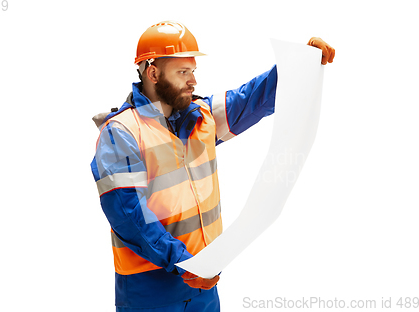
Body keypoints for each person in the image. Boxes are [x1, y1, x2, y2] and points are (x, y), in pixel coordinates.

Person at [90, 21, 335, 312]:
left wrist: (300, 65)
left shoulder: (201, 117)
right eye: (183, 72)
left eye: (193, 71)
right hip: (150, 290)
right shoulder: (121, 133)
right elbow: (129, 217)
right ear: (153, 73)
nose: (193, 80)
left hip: (203, 284)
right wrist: (184, 263)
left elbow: (252, 98)